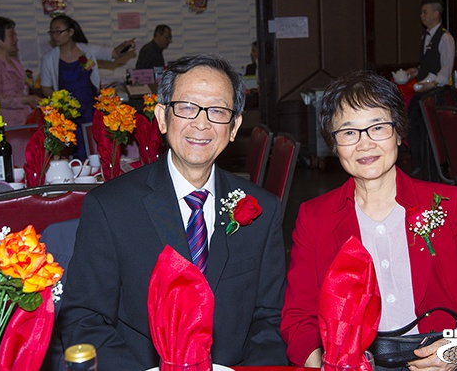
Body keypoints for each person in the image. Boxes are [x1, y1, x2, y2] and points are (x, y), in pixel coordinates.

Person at [58, 54, 288, 370]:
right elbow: (84, 318)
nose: (202, 123)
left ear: (234, 126)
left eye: (217, 111)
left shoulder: (262, 209)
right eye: (187, 107)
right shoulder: (110, 207)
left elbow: (270, 318)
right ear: (162, 117)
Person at [280, 70, 457, 369]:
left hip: (442, 354)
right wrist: (325, 362)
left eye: (378, 128)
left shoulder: (449, 204)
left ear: (398, 133)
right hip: (354, 359)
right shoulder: (314, 217)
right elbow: (298, 316)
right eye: (348, 132)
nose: (364, 144)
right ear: (334, 144)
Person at [39, 15, 135, 159]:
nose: (54, 36)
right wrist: (61, 102)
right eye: (51, 32)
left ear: (70, 32)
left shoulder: (87, 50)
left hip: (90, 107)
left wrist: (124, 46)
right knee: (74, 148)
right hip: (68, 113)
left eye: (58, 31)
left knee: (95, 145)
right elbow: (45, 88)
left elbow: (113, 53)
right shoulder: (49, 58)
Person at [404, 0, 455, 177]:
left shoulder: (445, 38)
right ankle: (419, 163)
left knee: (427, 130)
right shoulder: (425, 37)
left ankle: (429, 168)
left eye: (425, 12)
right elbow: (428, 66)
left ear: (436, 13)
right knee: (411, 124)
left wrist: (431, 84)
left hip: (436, 92)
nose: (422, 16)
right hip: (423, 90)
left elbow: (445, 70)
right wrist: (416, 71)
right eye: (421, 12)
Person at [0, 16, 41, 126]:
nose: (16, 39)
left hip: (26, 119)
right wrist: (24, 100)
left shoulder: (14, 61)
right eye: (11, 35)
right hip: (7, 123)